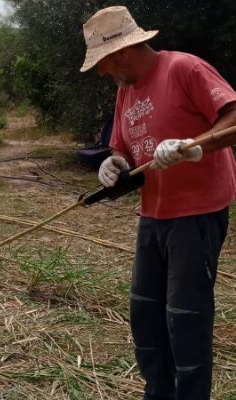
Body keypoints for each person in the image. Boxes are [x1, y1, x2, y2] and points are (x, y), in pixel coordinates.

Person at [80, 6, 236, 400]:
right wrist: (114, 163)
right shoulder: (124, 91)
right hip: (154, 213)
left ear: (124, 52)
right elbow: (124, 148)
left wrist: (193, 148)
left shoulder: (184, 68)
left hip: (196, 213)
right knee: (146, 314)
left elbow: (232, 118)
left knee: (186, 318)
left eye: (102, 63)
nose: (102, 73)